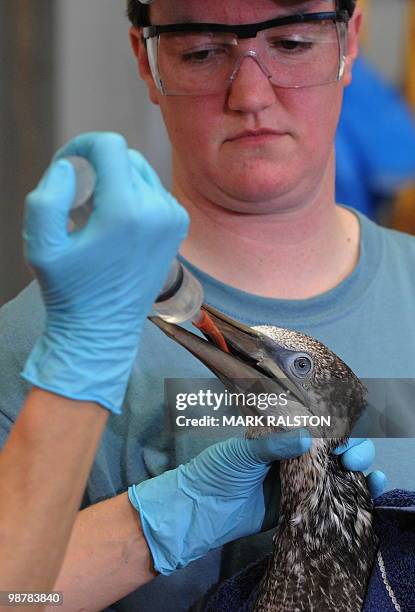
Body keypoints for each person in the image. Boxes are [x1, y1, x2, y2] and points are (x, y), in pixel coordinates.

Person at [0, 0, 411, 609]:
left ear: (349, 40)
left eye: (293, 43)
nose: (249, 94)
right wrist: (159, 523)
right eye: (200, 51)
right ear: (147, 58)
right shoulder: (46, 344)